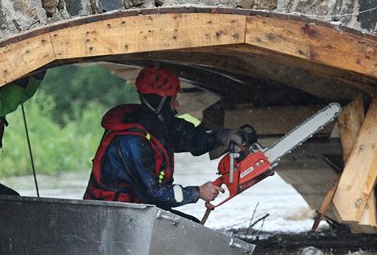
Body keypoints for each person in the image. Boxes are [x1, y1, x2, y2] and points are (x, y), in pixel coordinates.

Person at [83, 66, 252, 222]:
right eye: (173, 100)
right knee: (190, 231)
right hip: (108, 217)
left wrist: (223, 136)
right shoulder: (132, 140)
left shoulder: (157, 126)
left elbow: (192, 139)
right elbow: (154, 194)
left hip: (135, 210)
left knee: (190, 227)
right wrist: (197, 192)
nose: (177, 105)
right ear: (161, 102)